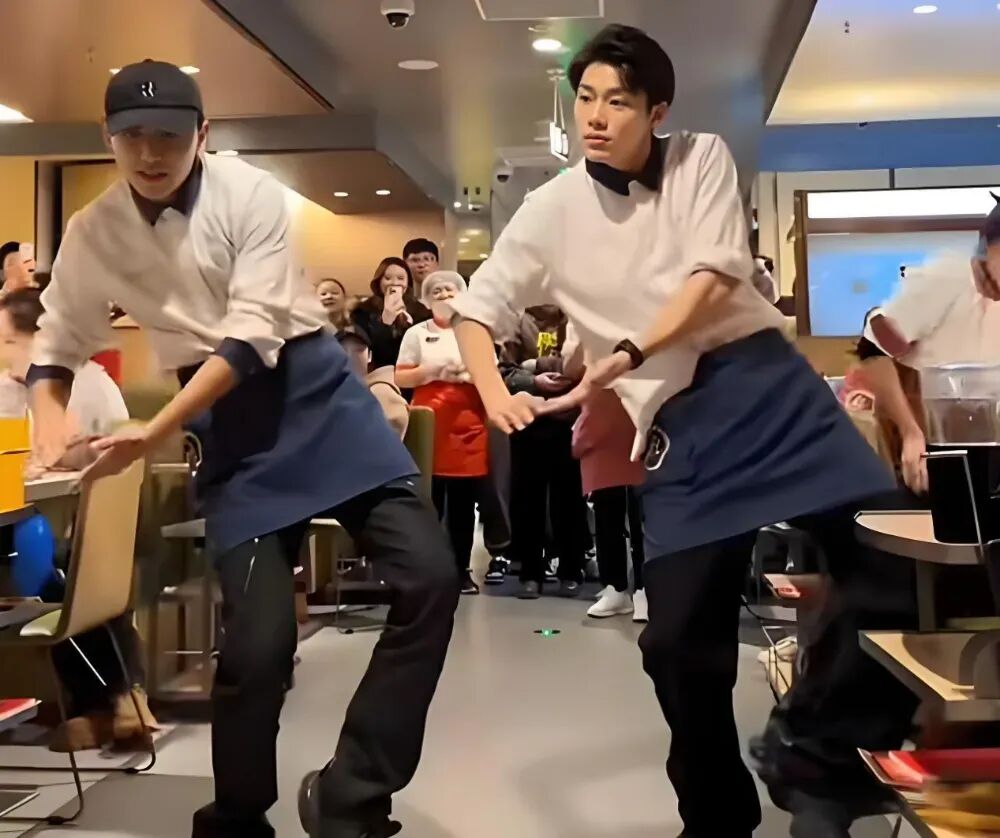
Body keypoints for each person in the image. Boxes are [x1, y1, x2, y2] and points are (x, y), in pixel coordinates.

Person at [443, 24, 916, 838]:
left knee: (896, 558)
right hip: (680, 422)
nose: (596, 117)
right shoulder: (549, 209)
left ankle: (815, 753)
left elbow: (711, 278)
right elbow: (477, 311)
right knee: (674, 644)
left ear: (657, 111)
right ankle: (716, 816)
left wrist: (628, 350)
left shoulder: (702, 158)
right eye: (585, 98)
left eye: (618, 102)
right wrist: (492, 393)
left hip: (766, 386)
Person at [28, 60, 457, 838]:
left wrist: (153, 431)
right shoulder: (94, 230)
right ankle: (235, 815)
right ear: (108, 137)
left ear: (203, 134)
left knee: (430, 577)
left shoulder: (248, 194)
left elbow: (252, 337)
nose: (150, 153)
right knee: (258, 648)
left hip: (317, 395)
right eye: (132, 136)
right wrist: (50, 421)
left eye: (168, 135)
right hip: (234, 433)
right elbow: (55, 343)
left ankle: (352, 791)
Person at [0, 287, 158, 752]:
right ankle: (118, 699)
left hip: (88, 527)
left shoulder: (88, 383)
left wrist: (68, 454)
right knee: (44, 559)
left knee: (62, 568)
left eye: (7, 340)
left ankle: (109, 700)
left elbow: (117, 457)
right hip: (24, 524)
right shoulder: (8, 388)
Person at [396, 271, 487, 596]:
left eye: (450, 289)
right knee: (428, 502)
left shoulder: (476, 330)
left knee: (463, 506)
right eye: (436, 291)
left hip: (469, 426)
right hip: (429, 424)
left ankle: (461, 570)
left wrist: (466, 374)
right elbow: (401, 377)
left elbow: (490, 373)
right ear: (426, 299)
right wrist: (432, 371)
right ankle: (429, 571)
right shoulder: (416, 333)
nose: (444, 294)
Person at [499, 306, 589, 599]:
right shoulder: (516, 322)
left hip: (571, 419)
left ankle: (572, 570)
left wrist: (535, 364)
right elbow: (503, 372)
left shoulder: (576, 317)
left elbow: (588, 364)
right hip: (527, 419)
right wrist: (534, 379)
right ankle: (530, 573)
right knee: (527, 500)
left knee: (570, 500)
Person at [573, 387, 647, 621]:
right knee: (606, 506)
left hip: (641, 409)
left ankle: (645, 587)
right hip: (603, 411)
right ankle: (615, 586)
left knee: (642, 510)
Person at [351, 257, 428, 369]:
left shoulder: (421, 311)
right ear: (379, 281)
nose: (395, 283)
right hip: (378, 371)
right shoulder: (363, 310)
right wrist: (385, 322)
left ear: (407, 282)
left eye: (401, 278)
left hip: (412, 370)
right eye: (387, 278)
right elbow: (369, 351)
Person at [336, 325, 410, 439]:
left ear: (369, 356)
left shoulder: (381, 390)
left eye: (358, 350)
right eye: (342, 350)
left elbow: (386, 434)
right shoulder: (330, 392)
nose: (350, 356)